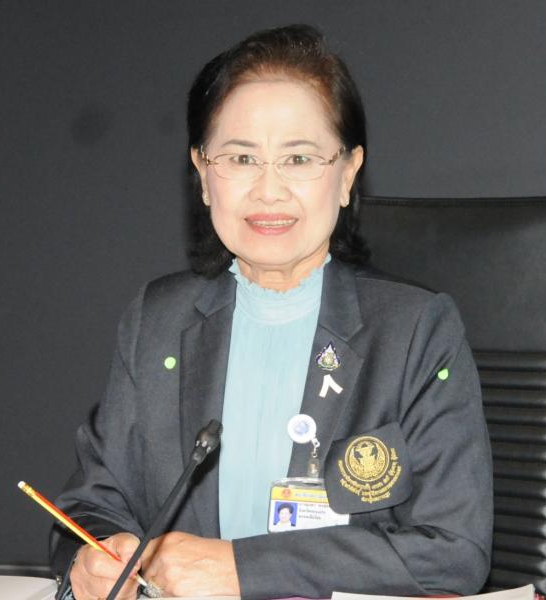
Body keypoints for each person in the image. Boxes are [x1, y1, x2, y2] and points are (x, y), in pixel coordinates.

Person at [50, 24, 492, 600]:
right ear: (203, 174)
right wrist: (90, 555)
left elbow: (453, 552)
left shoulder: (415, 330)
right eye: (240, 158)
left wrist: (243, 569)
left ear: (347, 174)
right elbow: (89, 506)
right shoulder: (157, 320)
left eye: (299, 158)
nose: (268, 190)